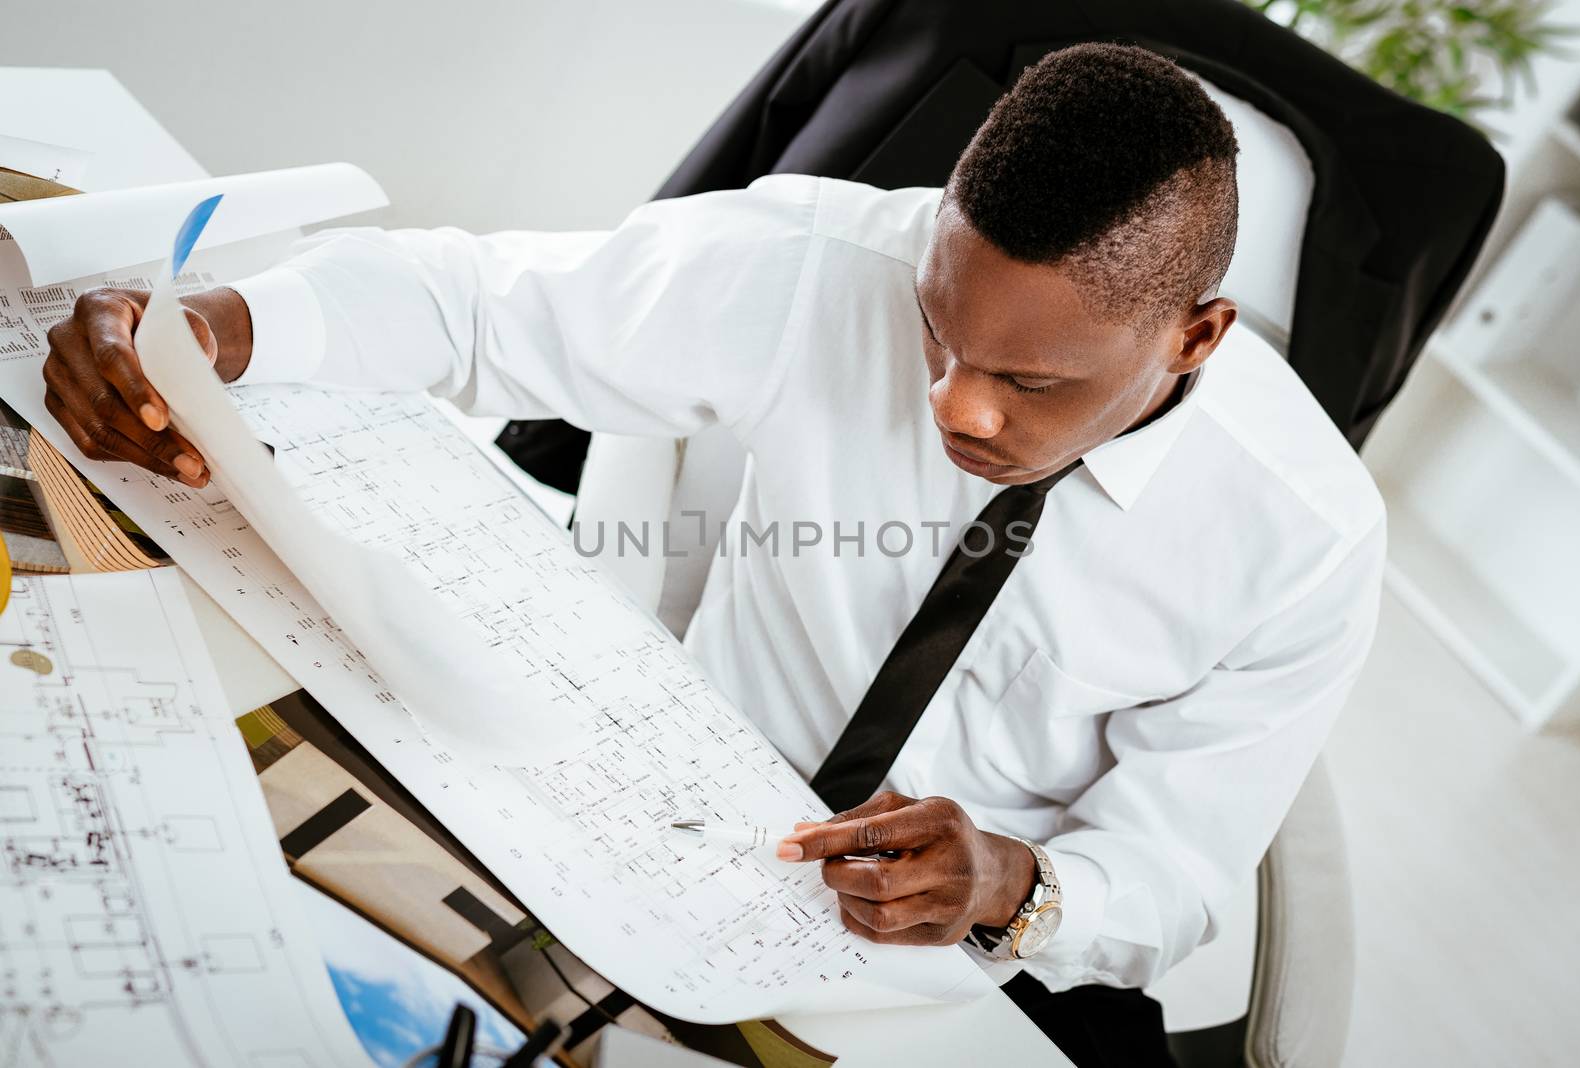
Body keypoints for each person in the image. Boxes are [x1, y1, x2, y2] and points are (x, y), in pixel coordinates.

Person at [43, 43, 1384, 1067]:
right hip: (650, 811)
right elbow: (479, 303)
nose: (958, 407)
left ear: (1194, 339)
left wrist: (1016, 885)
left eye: (1030, 382)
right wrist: (214, 328)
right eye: (940, 335)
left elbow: (1176, 876)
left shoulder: (1304, 540)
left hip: (930, 966)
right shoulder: (830, 261)